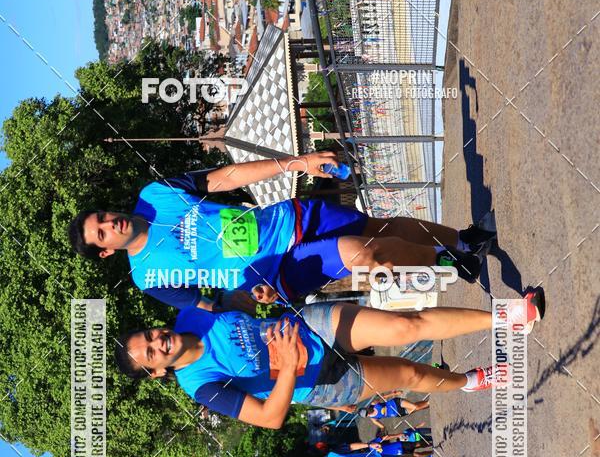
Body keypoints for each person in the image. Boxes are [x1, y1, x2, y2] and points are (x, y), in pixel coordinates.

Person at [68, 151, 496, 311]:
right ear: (106, 252)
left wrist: (297, 164)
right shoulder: (149, 278)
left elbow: (227, 176)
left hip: (285, 218)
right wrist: (254, 299)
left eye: (102, 217)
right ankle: (449, 263)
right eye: (101, 234)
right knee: (368, 253)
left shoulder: (155, 194)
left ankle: (461, 240)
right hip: (276, 273)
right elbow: (211, 303)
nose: (110, 224)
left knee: (379, 227)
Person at [114, 294, 544, 428]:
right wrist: (283, 366)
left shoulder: (191, 313)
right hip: (321, 381)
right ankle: (470, 381)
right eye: (151, 352)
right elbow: (270, 417)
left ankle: (509, 316)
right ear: (157, 370)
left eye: (149, 335)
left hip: (310, 325)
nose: (158, 342)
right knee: (411, 373)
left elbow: (239, 301)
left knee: (403, 327)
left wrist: (260, 295)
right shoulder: (201, 386)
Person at [356, 394, 429, 428]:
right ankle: (427, 403)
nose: (368, 413)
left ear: (366, 408)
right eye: (366, 415)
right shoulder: (373, 418)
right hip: (398, 413)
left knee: (415, 407)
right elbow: (382, 427)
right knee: (417, 407)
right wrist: (383, 432)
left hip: (396, 403)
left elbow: (382, 397)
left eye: (366, 412)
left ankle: (429, 402)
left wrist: (394, 393)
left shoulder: (373, 404)